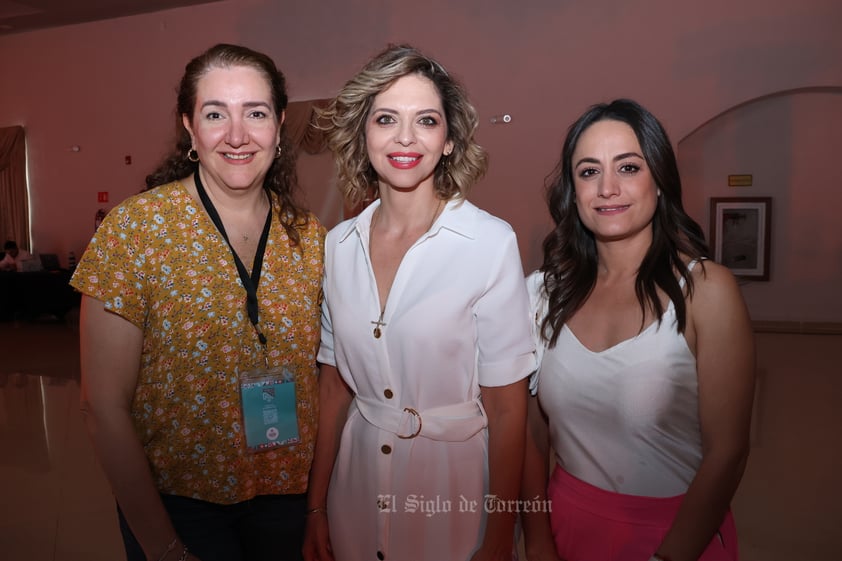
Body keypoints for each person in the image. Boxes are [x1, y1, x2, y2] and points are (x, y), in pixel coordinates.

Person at [71, 44, 325, 561]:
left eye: (254, 113)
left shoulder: (310, 237)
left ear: (278, 124)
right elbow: (103, 407)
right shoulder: (137, 230)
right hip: (179, 502)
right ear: (190, 126)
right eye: (216, 114)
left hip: (285, 493)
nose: (237, 135)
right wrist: (162, 547)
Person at [303, 45, 536, 561]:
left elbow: (507, 408)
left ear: (449, 140)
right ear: (364, 135)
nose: (405, 138)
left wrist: (499, 536)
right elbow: (334, 388)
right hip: (356, 484)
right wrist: (315, 506)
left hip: (452, 490)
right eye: (386, 119)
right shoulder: (338, 245)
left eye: (425, 120)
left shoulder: (489, 242)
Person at [520, 99, 756, 561]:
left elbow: (727, 453)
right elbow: (532, 437)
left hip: (677, 534)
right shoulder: (541, 295)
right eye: (588, 172)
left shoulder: (707, 291)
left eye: (628, 167)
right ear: (573, 191)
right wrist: (539, 540)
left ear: (660, 181)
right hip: (566, 526)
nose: (608, 188)